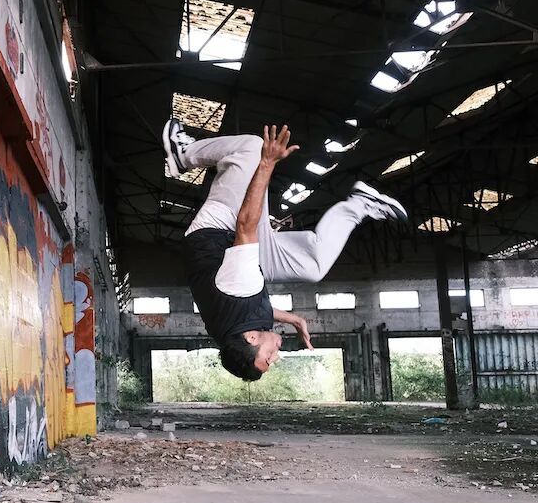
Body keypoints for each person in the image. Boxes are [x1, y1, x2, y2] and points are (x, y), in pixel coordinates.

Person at [162, 119, 408, 381]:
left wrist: (268, 162)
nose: (276, 356)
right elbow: (254, 310)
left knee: (254, 147)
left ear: (252, 338)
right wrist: (293, 319)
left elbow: (246, 224)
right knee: (313, 266)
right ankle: (362, 204)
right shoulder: (234, 334)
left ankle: (183, 154)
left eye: (268, 356)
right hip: (239, 256)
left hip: (220, 227)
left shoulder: (239, 287)